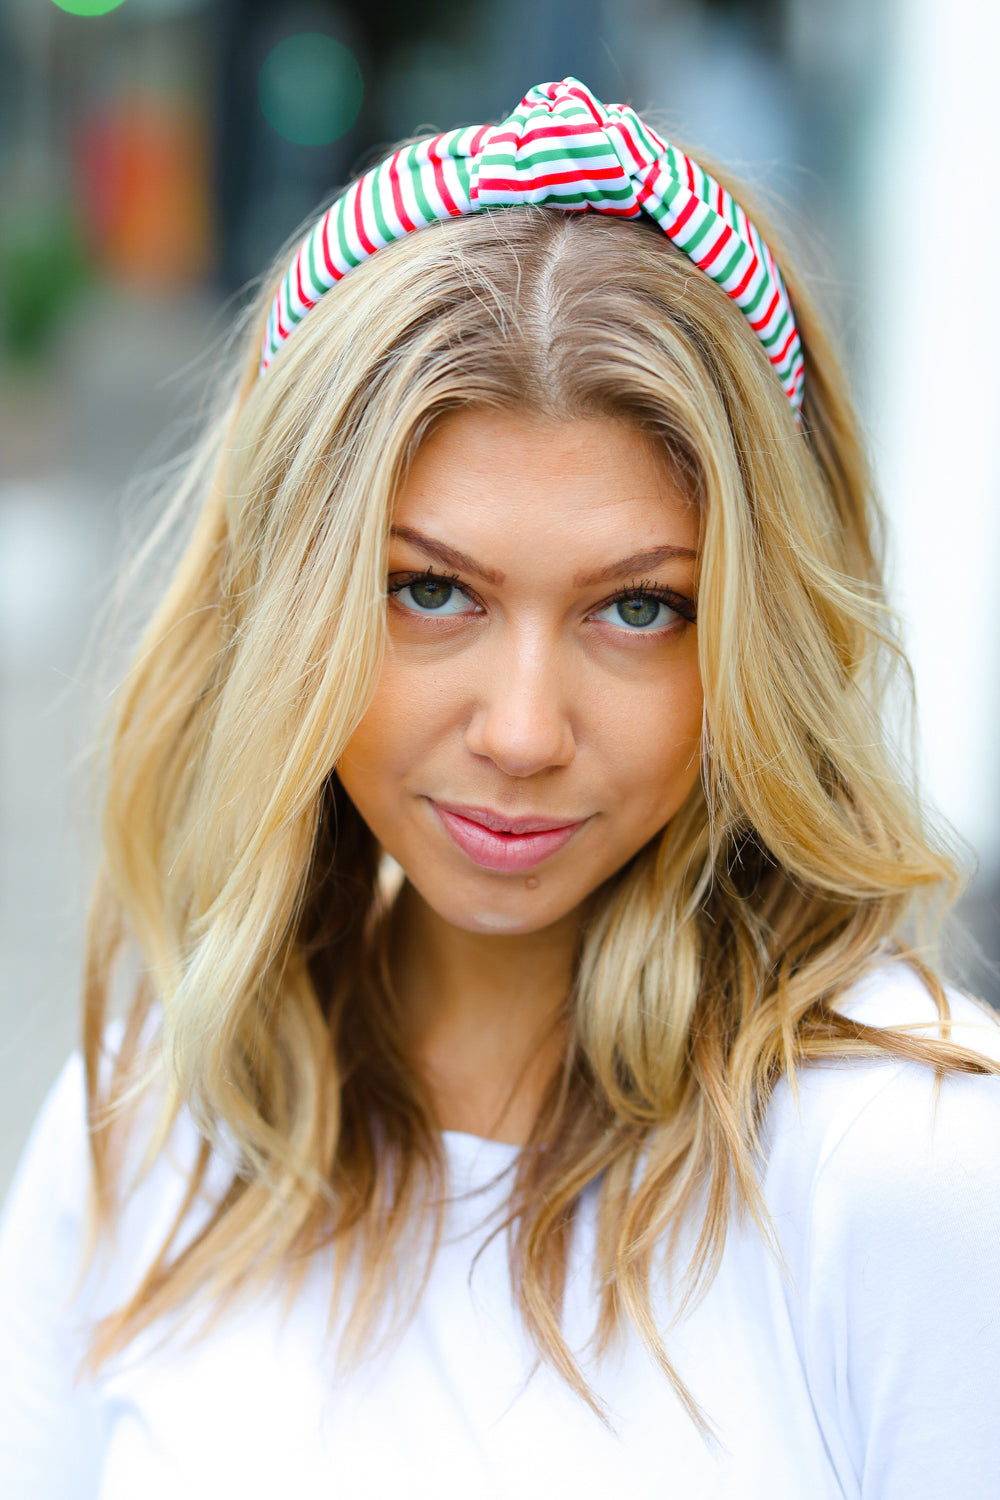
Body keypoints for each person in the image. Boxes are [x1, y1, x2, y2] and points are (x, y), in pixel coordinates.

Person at [1, 77, 998, 1500]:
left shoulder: (902, 1170)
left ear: (758, 638)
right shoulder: (156, 1114)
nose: (525, 732)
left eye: (639, 610)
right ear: (289, 604)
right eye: (429, 591)